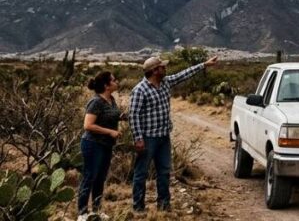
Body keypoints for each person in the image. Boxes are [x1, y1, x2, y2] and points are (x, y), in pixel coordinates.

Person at [129, 55, 218, 212]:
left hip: (163, 137)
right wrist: (138, 138)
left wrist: (204, 65)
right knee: (141, 173)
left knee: (164, 172)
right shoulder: (139, 90)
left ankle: (164, 205)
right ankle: (138, 207)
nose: (165, 68)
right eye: (162, 67)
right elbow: (133, 115)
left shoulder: (166, 83)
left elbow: (184, 74)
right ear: (155, 71)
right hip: (147, 138)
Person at [78, 70, 123, 220]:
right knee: (89, 177)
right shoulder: (96, 102)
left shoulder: (111, 99)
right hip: (92, 144)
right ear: (106, 85)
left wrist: (125, 117)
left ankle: (97, 211)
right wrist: (110, 132)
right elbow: (88, 125)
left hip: (106, 146)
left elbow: (113, 115)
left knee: (100, 178)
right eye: (114, 80)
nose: (117, 81)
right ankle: (82, 213)